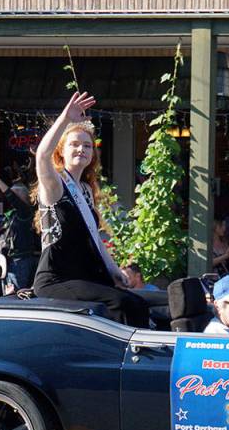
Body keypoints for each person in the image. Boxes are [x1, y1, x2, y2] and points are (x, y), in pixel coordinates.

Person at [33, 92, 149, 327]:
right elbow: (42, 156)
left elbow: (94, 238)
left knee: (140, 302)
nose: (81, 149)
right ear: (61, 151)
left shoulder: (85, 190)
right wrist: (66, 118)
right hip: (57, 280)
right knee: (123, 304)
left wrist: (115, 271)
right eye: (74, 144)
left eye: (87, 146)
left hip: (84, 277)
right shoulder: (55, 184)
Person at [0, 167, 41, 291]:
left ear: (23, 197)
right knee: (8, 292)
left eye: (15, 195)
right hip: (8, 259)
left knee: (16, 293)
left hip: (20, 261)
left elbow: (11, 197)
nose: (10, 198)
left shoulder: (25, 212)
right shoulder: (12, 214)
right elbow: (4, 236)